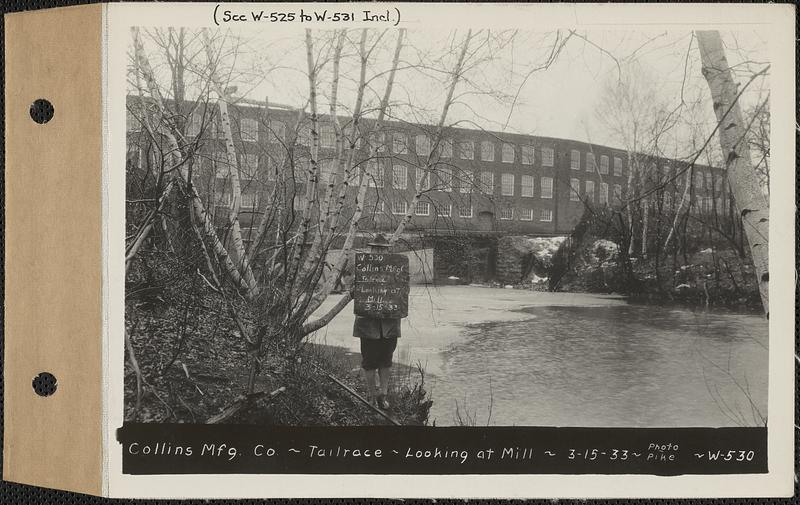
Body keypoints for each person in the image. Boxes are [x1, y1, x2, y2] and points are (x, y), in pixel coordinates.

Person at [352, 233, 401, 410]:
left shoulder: (397, 269)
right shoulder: (362, 268)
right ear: (371, 250)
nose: (379, 251)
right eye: (376, 248)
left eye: (382, 249)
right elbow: (353, 293)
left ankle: (383, 395)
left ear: (387, 251)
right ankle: (372, 396)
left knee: (386, 360)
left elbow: (403, 293)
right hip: (368, 325)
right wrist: (361, 291)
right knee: (370, 361)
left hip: (389, 325)